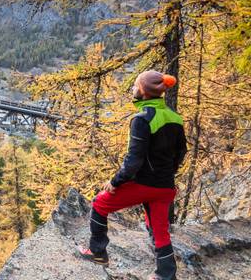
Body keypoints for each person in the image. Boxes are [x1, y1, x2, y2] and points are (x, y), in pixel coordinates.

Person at [77, 70, 187, 280]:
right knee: (159, 229)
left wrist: (115, 181)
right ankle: (166, 275)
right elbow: (181, 152)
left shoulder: (142, 119)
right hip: (165, 187)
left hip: (145, 184)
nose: (133, 89)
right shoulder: (175, 118)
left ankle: (98, 253)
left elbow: (134, 160)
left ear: (144, 92)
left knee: (100, 204)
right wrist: (167, 176)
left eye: (136, 86)